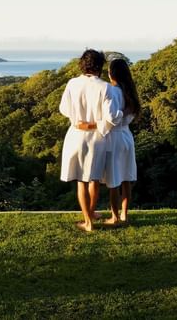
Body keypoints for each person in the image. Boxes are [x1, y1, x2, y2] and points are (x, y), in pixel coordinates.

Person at [59, 49, 122, 232]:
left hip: (76, 135)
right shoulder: (106, 88)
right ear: (100, 66)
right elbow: (112, 117)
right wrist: (95, 124)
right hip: (97, 138)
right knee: (94, 179)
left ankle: (88, 221)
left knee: (81, 181)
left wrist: (80, 121)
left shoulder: (72, 83)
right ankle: (91, 215)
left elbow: (64, 109)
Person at [102, 57, 140, 225]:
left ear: (112, 73)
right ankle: (125, 214)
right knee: (126, 178)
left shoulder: (113, 91)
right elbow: (130, 115)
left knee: (113, 179)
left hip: (115, 137)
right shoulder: (130, 92)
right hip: (127, 136)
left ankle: (114, 216)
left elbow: (111, 118)